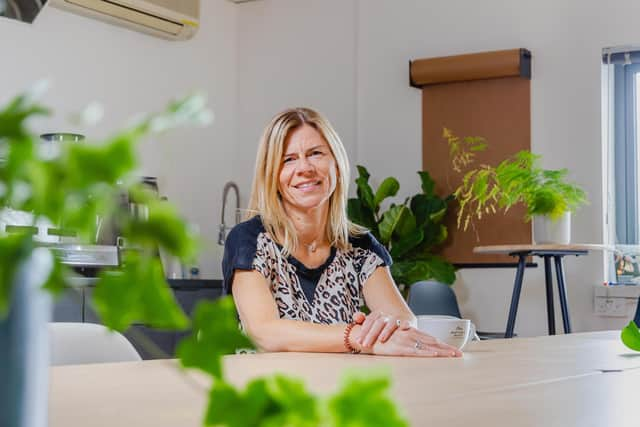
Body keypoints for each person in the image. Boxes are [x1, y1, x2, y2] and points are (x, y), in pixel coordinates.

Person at [222, 107, 461, 357]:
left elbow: (403, 319)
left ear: (336, 163)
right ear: (271, 174)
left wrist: (385, 327)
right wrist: (356, 336)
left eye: (315, 153)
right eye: (288, 159)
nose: (305, 168)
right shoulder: (249, 240)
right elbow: (263, 332)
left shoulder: (361, 246)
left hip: (338, 386)